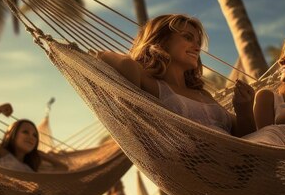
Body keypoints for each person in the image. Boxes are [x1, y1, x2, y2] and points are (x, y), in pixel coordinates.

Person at [99, 14, 256, 136]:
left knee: (265, 98)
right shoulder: (150, 84)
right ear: (162, 40)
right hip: (201, 166)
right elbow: (106, 57)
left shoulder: (202, 94)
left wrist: (244, 109)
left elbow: (245, 137)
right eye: (188, 38)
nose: (197, 48)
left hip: (239, 163)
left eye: (198, 42)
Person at [0, 103, 68, 172]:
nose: (31, 137)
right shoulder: (1, 154)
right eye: (25, 132)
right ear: (12, 135)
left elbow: (63, 168)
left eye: (35, 135)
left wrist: (42, 155)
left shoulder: (31, 169)